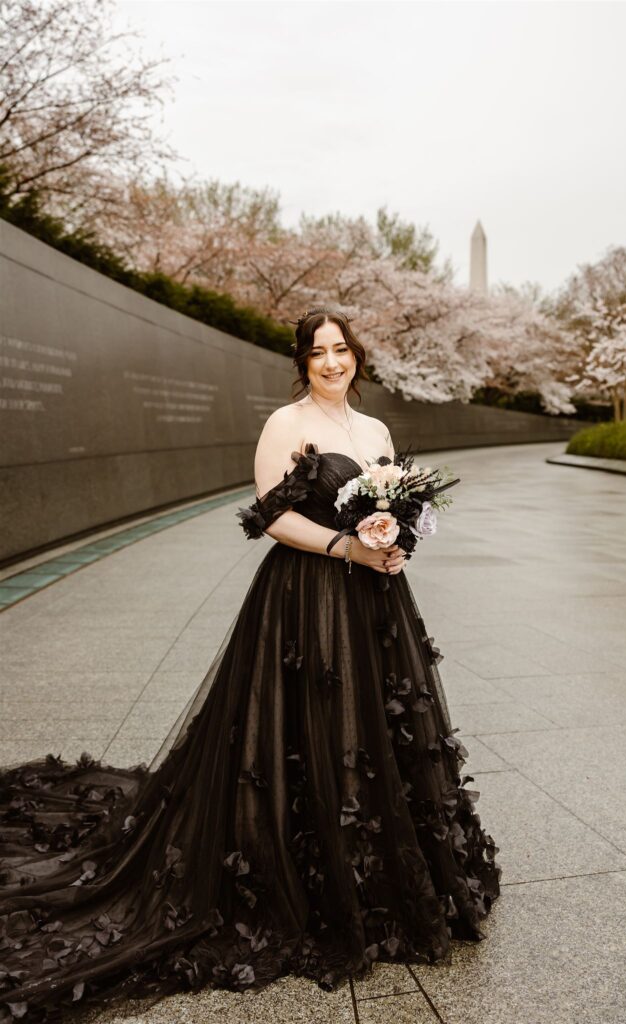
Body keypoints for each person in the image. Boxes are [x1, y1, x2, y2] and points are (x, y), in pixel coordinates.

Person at [0, 307, 501, 1023]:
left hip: (374, 598)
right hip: (306, 595)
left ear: (356, 355)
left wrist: (391, 544)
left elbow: (391, 507)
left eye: (341, 350)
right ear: (302, 361)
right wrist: (345, 548)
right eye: (318, 353)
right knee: (307, 727)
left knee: (372, 726)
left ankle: (375, 870)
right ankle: (305, 867)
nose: (332, 363)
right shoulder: (283, 424)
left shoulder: (377, 431)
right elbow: (268, 517)